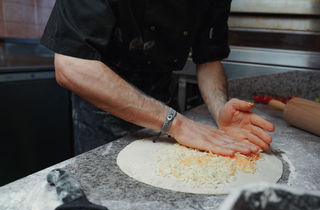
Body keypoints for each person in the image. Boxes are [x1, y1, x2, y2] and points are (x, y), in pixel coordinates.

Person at [41, 0, 274, 156]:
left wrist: (220, 108)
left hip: (164, 98)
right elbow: (71, 66)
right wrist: (176, 123)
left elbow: (209, 61)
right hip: (103, 107)